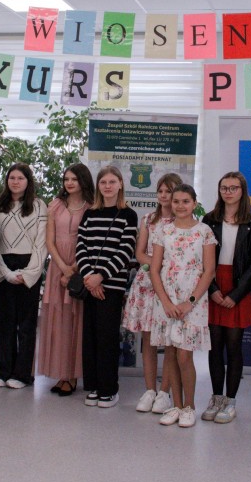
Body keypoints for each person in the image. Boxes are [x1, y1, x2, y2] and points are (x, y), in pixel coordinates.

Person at [148, 184, 216, 428]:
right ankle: (176, 405)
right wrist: (166, 302)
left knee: (185, 355)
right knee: (170, 353)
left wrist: (190, 302)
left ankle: (190, 406)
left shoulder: (204, 231)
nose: (180, 205)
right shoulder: (163, 231)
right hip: (166, 300)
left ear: (194, 203)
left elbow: (209, 271)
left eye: (185, 201)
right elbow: (154, 269)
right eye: (176, 201)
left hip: (192, 301)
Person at [202, 172, 251, 424]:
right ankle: (216, 397)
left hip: (238, 288)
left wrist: (235, 295)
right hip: (214, 283)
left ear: (242, 191)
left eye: (233, 188)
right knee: (215, 346)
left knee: (234, 347)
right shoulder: (209, 220)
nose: (228, 192)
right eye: (224, 188)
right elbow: (201, 259)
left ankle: (231, 401)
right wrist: (213, 289)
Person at [76, 166, 138, 409]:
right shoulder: (89, 214)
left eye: (112, 182)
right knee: (90, 338)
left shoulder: (129, 215)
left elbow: (125, 251)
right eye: (103, 182)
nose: (108, 186)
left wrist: (100, 277)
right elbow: (81, 247)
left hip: (111, 286)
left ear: (120, 184)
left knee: (107, 339)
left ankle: (109, 389)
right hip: (89, 285)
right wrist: (89, 277)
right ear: (98, 186)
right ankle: (93, 386)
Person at [122, 172, 181, 413]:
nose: (164, 195)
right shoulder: (148, 219)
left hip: (171, 287)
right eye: (161, 191)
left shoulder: (183, 221)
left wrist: (164, 269)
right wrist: (157, 265)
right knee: (148, 339)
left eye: (169, 191)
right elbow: (139, 253)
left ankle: (165, 392)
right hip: (147, 284)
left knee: (169, 341)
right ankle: (149, 390)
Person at [37, 164, 94, 397]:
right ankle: (61, 373)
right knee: (58, 322)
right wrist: (62, 268)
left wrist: (73, 270)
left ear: (83, 181)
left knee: (76, 322)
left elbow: (91, 242)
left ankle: (72, 375)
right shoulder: (55, 205)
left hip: (81, 266)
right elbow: (49, 242)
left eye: (74, 179)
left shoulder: (92, 207)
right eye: (66, 179)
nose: (69, 183)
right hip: (57, 268)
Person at [0, 163, 48, 389]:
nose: (15, 182)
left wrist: (29, 273)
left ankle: (22, 374)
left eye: (20, 178)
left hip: (29, 267)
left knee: (26, 325)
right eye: (12, 178)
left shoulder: (39, 205)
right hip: (3, 267)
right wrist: (5, 272)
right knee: (4, 324)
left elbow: (41, 242)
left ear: (28, 181)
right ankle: (3, 371)